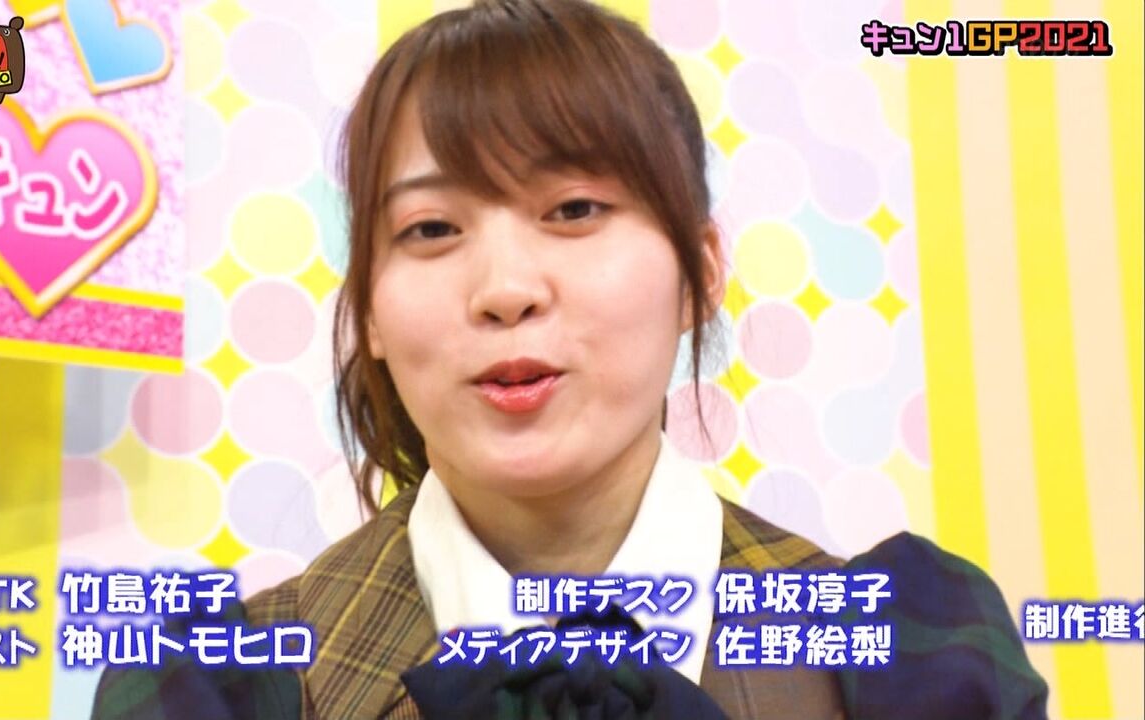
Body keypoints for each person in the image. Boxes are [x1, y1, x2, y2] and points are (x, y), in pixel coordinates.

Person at [93, 1, 1048, 718]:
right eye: (431, 228)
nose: (506, 288)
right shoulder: (219, 687)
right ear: (370, 309)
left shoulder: (908, 653)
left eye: (575, 210)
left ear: (699, 272)